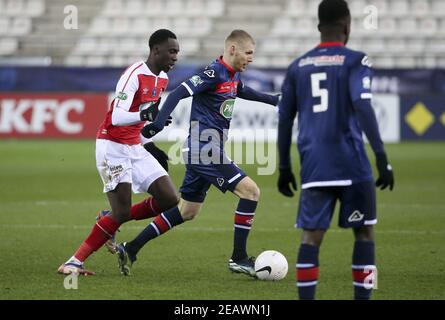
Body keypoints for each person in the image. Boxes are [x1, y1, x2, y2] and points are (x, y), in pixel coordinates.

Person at [115, 29, 280, 277]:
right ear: (233, 49)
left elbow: (243, 91)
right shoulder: (213, 73)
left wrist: (275, 100)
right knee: (251, 191)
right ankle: (239, 257)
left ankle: (131, 248)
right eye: (248, 53)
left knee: (187, 210)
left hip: (205, 149)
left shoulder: (232, 76)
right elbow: (180, 91)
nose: (251, 58)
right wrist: (159, 122)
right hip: (204, 149)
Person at [277, 0, 394, 300]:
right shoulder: (357, 61)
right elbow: (363, 105)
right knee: (364, 233)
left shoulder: (297, 66)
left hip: (314, 165)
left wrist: (285, 168)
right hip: (352, 163)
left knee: (311, 237)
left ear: (319, 27)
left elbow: (284, 120)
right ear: (348, 26)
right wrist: (381, 157)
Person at [57, 29, 182, 275]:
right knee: (122, 212)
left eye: (177, 52)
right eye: (171, 51)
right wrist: (145, 115)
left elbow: (141, 118)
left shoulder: (163, 79)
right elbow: (117, 116)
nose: (175, 57)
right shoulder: (134, 74)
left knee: (170, 198)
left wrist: (149, 137)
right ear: (156, 50)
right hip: (111, 145)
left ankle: (108, 218)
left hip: (134, 145)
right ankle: (73, 262)